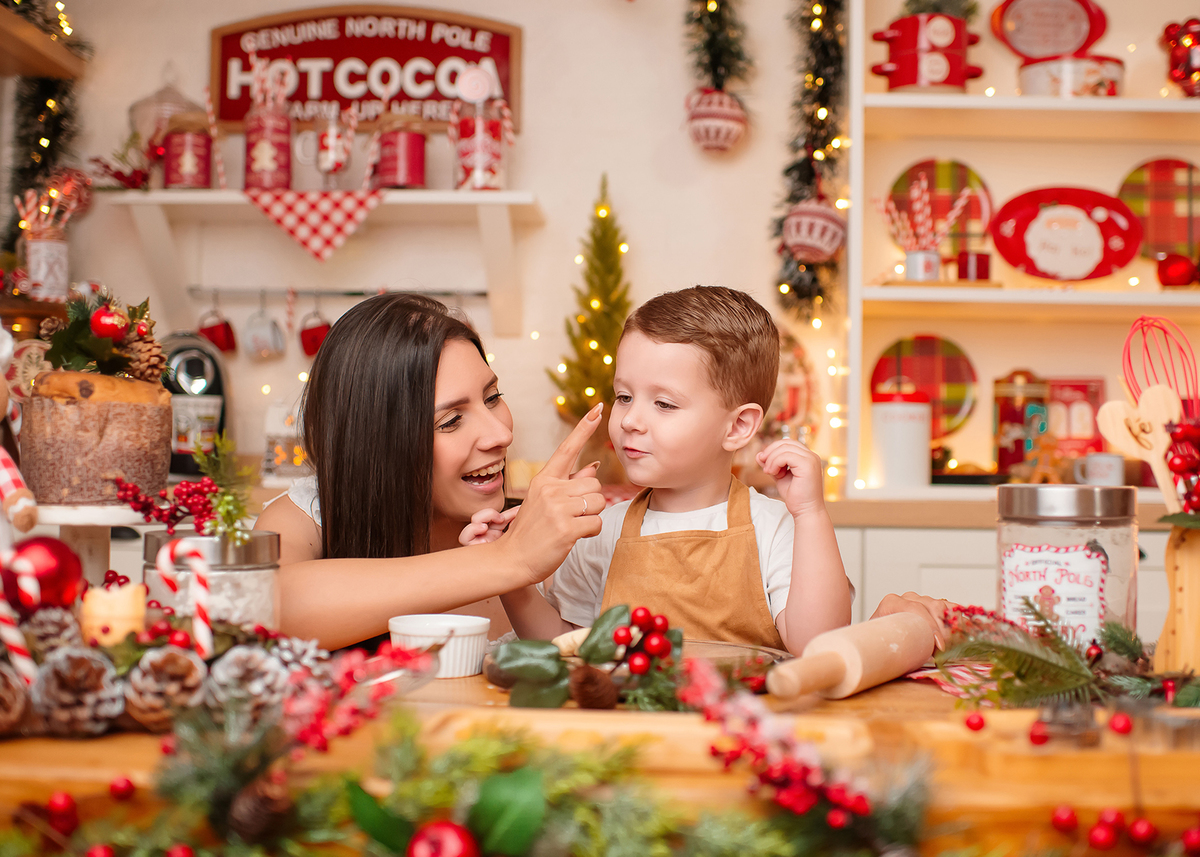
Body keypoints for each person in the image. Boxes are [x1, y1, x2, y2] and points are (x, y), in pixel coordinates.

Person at [492, 286, 852, 654]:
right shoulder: (601, 531)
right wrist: (507, 575)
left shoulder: (775, 528)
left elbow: (818, 645)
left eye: (663, 404)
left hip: (745, 712)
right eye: (624, 397)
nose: (631, 420)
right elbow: (564, 646)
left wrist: (810, 513)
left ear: (738, 426)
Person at [255, 294, 606, 650]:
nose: (502, 434)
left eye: (493, 397)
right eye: (451, 421)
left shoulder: (543, 534)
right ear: (376, 444)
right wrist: (509, 560)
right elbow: (272, 607)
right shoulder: (307, 516)